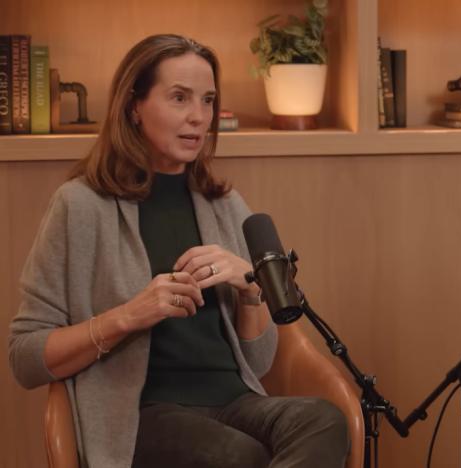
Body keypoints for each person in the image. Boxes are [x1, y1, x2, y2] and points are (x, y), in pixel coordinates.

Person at [8, 34, 348, 468]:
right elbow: (25, 358)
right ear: (134, 106)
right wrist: (128, 315)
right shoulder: (80, 206)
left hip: (235, 402)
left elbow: (259, 363)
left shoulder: (226, 206)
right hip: (141, 415)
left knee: (324, 420)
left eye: (208, 100)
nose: (198, 117)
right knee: (238, 455)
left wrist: (249, 291)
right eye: (179, 98)